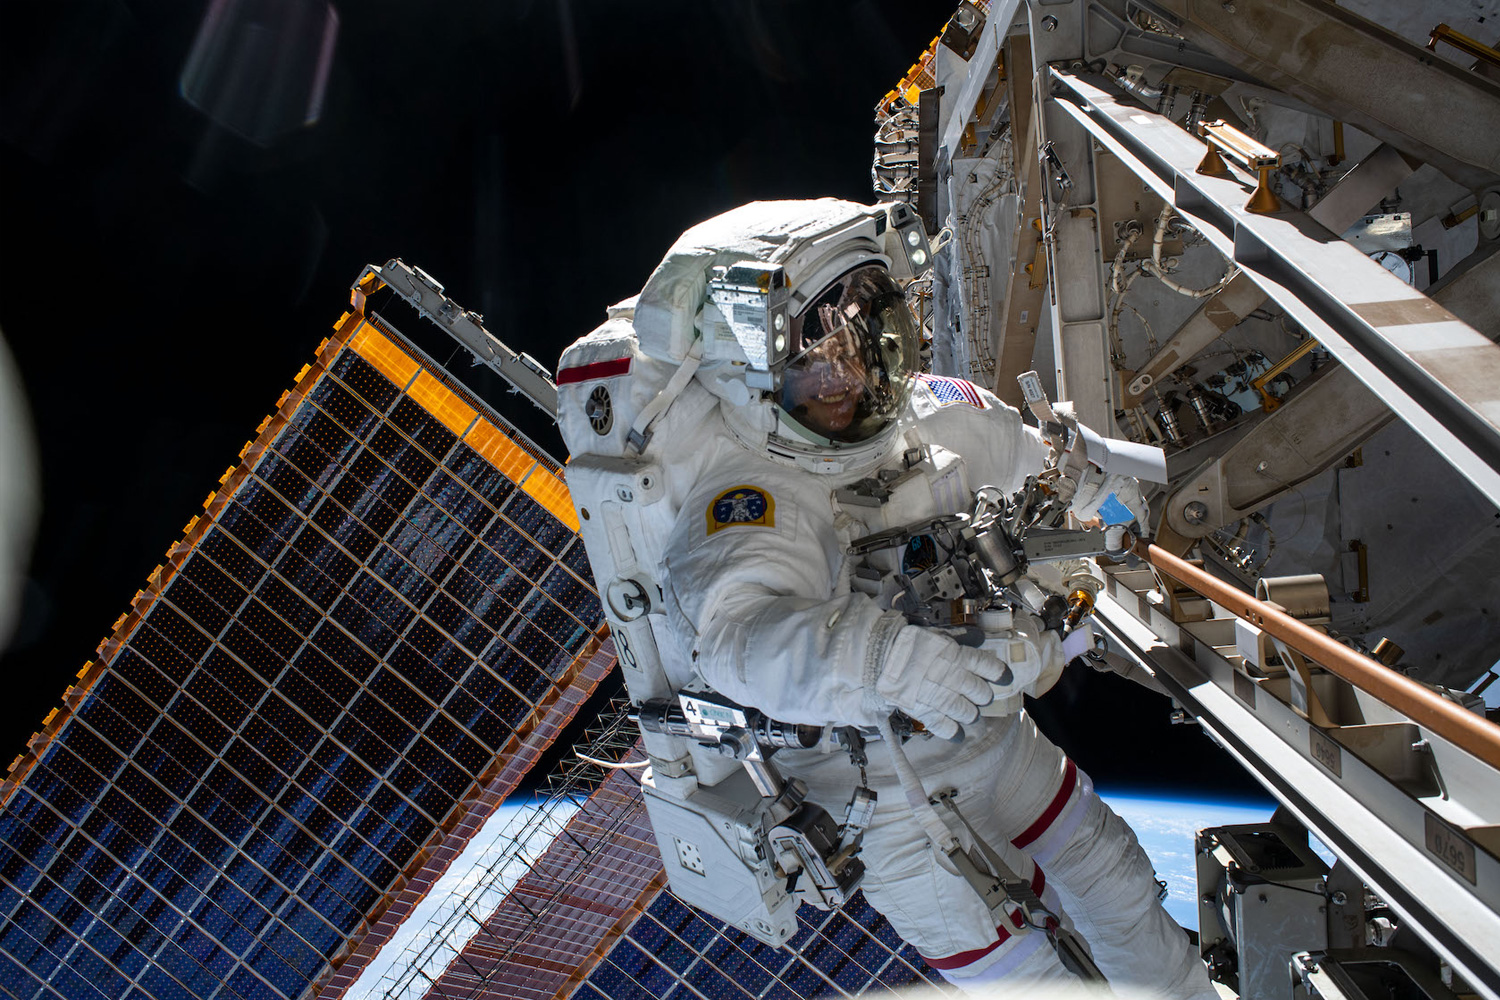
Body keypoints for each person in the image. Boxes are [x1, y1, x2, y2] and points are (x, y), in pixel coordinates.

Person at [558, 199, 1216, 997]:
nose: (845, 379)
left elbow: (1046, 466)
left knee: (1119, 887)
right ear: (749, 376)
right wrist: (886, 661)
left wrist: (1101, 505)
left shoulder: (935, 415)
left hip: (998, 744)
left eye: (862, 343)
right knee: (1029, 981)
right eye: (812, 362)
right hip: (882, 793)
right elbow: (737, 637)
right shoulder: (750, 496)